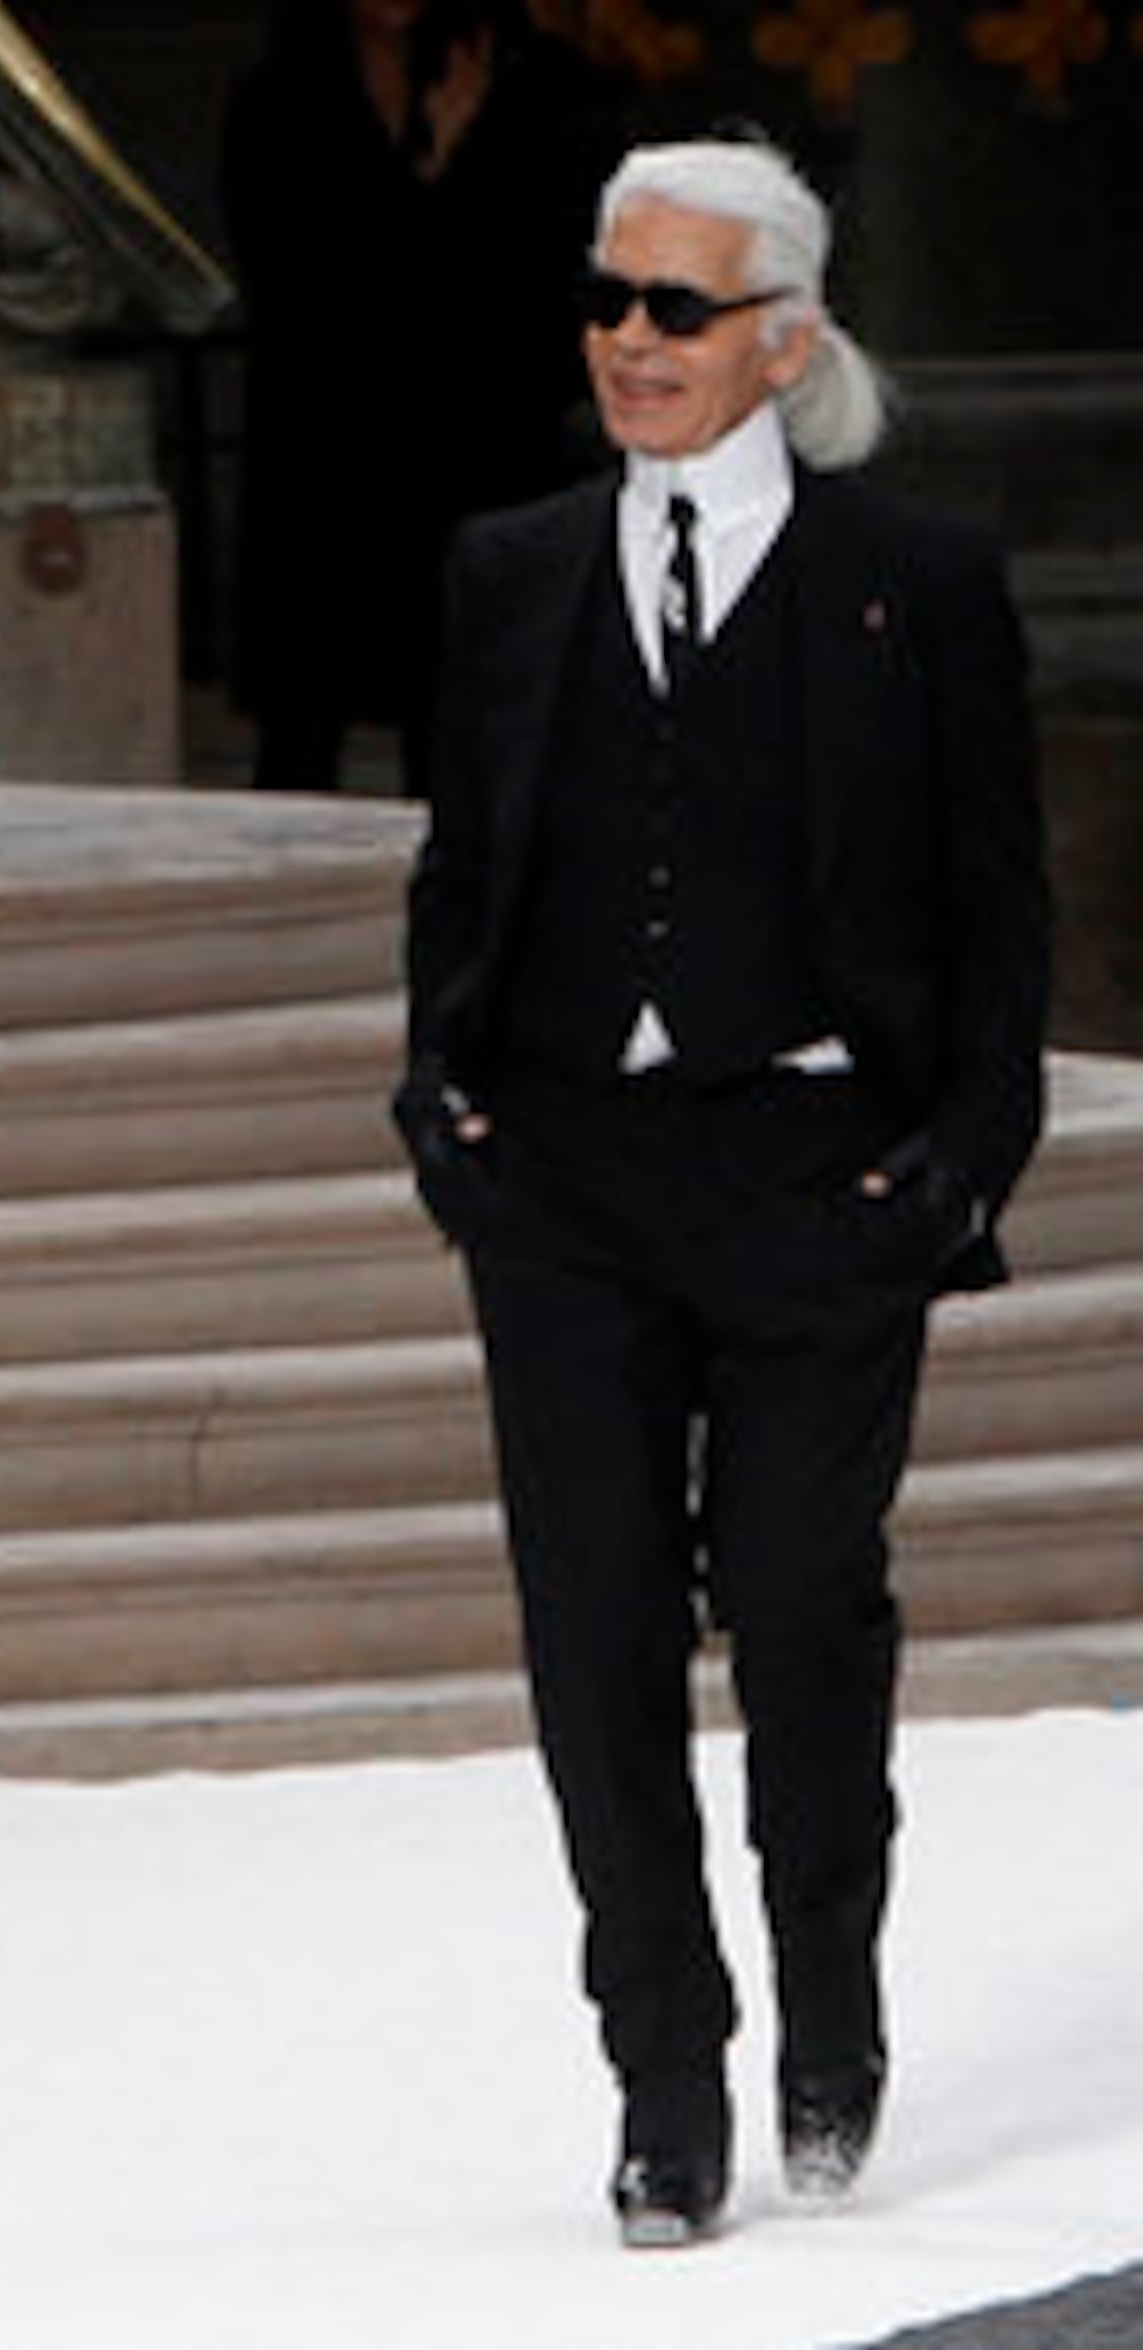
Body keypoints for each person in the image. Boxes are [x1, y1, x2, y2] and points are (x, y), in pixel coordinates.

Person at [392, 135, 1049, 2246]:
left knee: (798, 1604)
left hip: (816, 1175)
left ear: (784, 337)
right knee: (593, 1637)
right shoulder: (512, 569)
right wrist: (447, 1110)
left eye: (675, 308)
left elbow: (997, 914)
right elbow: (464, 874)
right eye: (607, 300)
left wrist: (947, 1164)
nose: (629, 342)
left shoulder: (918, 585)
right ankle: (664, 2079)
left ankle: (829, 2002)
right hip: (566, 1178)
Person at [224, 0, 603, 795]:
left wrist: (456, 162)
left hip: (476, 440)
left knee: (464, 710)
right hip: (326, 442)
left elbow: (544, 273)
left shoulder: (536, 83)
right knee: (302, 721)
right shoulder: (280, 93)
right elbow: (290, 272)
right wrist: (428, 173)